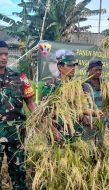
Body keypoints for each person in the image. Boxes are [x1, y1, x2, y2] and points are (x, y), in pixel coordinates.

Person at [0, 40, 37, 189]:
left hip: (16, 132)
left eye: (6, 54)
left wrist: (40, 118)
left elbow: (31, 102)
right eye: (0, 54)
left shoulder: (20, 77)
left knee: (19, 172)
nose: (4, 57)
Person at [42, 49, 85, 143]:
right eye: (69, 65)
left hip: (76, 132)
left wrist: (93, 113)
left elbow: (82, 107)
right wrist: (53, 131)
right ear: (60, 67)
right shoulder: (51, 85)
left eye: (74, 65)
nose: (73, 68)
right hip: (58, 133)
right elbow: (44, 113)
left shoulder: (77, 86)